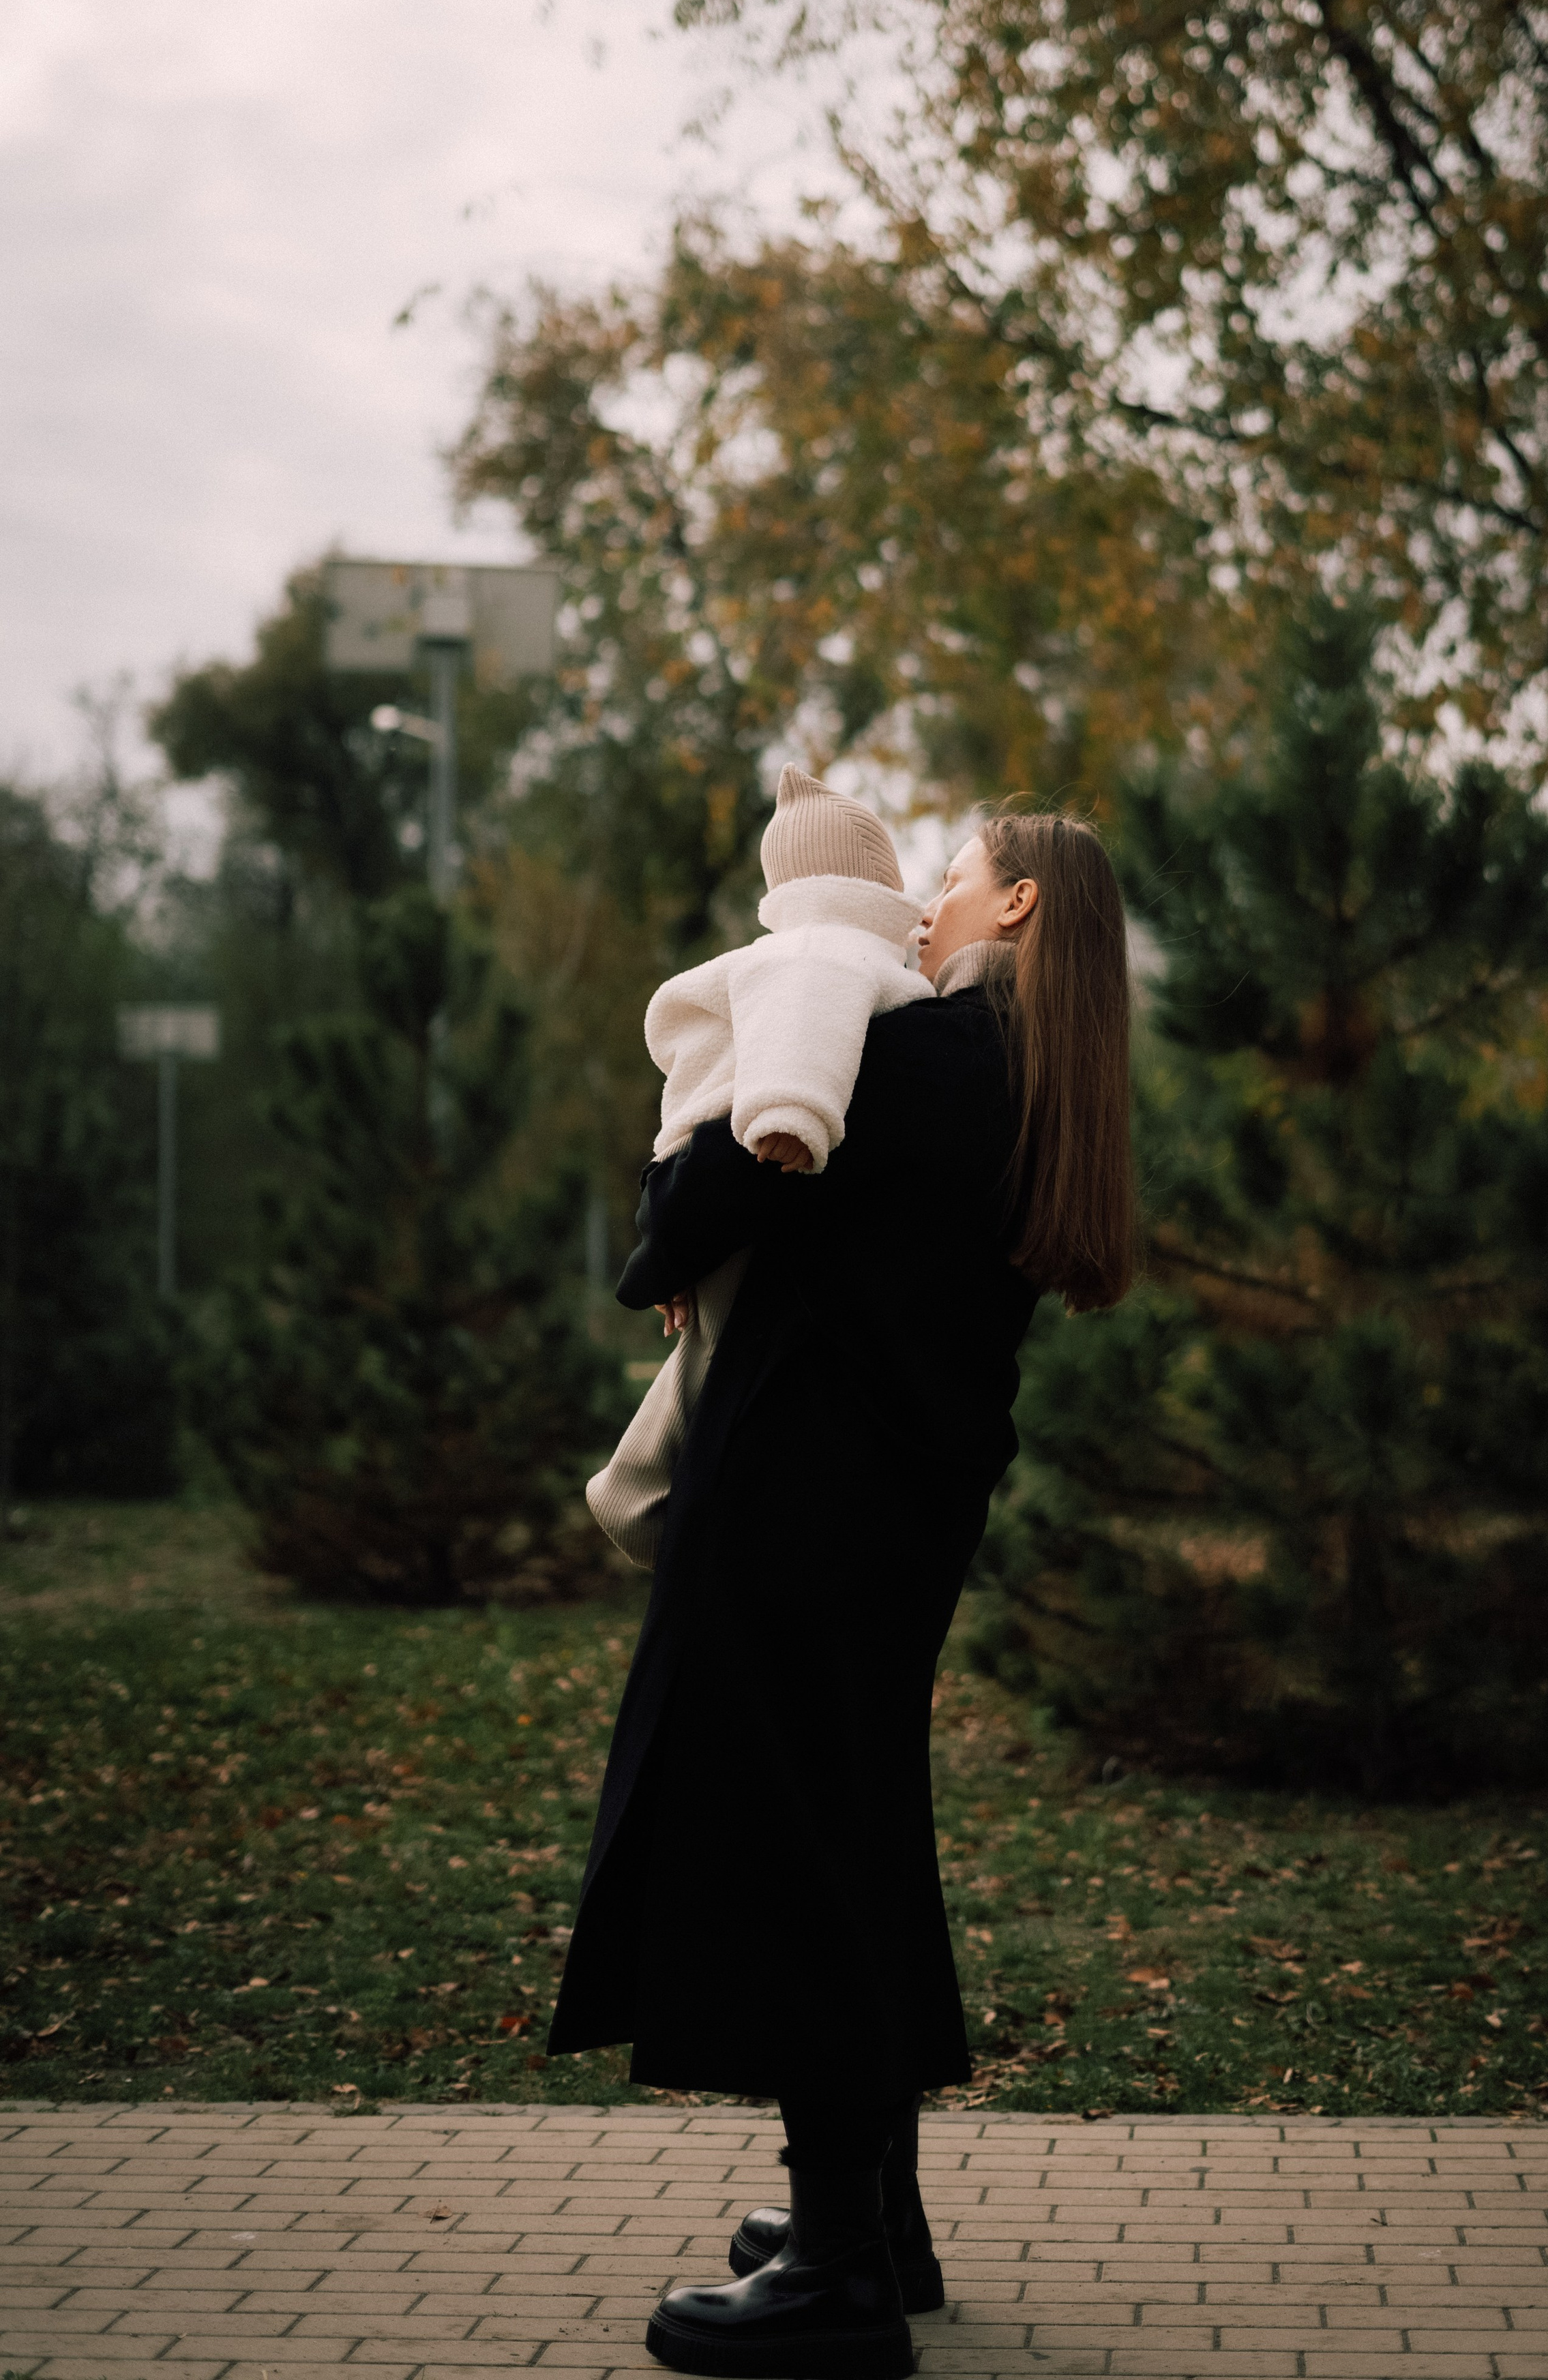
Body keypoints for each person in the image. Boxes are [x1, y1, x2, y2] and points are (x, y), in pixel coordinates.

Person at [547, 811, 1136, 2380]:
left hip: (795, 1505)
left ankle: (833, 2281)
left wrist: (678, 1204)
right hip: (893, 1508)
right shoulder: (1025, 1085)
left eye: (947, 871)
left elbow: (685, 1220)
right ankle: (874, 2222)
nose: (916, 897)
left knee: (796, 1851)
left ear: (1010, 903)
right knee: (856, 1833)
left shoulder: (917, 1059)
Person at [586, 764, 933, 1568]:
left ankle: (635, 1492)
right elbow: (809, 1027)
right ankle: (638, 1494)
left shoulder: (811, 951)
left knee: (711, 1347)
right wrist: (791, 1112)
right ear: (867, 882)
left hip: (713, 1176)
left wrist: (675, 1244)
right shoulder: (825, 950)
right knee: (717, 1352)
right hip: (767, 1146)